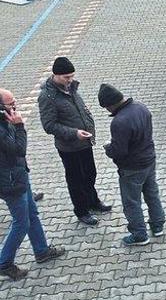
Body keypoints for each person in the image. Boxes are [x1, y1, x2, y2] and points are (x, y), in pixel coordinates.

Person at [0, 89, 65, 281]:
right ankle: (4, 263)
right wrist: (19, 126)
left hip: (19, 175)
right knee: (21, 223)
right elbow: (18, 149)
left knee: (32, 213)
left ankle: (42, 250)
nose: (15, 106)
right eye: (10, 104)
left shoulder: (5, 120)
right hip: (10, 182)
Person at [37, 57, 111, 226]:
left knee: (90, 173)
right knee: (76, 179)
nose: (70, 80)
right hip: (69, 146)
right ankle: (82, 210)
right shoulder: (47, 97)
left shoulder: (71, 88)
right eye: (66, 77)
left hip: (84, 142)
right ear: (55, 75)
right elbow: (49, 125)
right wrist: (74, 133)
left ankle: (93, 202)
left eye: (71, 76)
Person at [98, 84, 165, 246]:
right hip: (149, 159)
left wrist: (108, 148)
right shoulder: (141, 107)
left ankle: (139, 235)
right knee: (152, 193)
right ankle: (158, 225)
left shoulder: (119, 122)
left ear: (111, 104)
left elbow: (119, 151)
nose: (107, 110)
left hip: (132, 168)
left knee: (131, 202)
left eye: (106, 107)